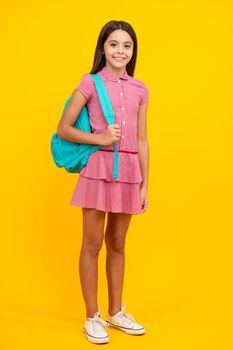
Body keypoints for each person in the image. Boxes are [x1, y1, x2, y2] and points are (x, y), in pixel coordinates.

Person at [57, 20, 149, 344]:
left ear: (132, 51)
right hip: (98, 169)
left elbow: (142, 139)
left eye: (127, 45)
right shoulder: (90, 83)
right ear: (103, 48)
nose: (120, 50)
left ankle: (115, 313)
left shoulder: (140, 89)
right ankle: (91, 317)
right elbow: (63, 129)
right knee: (92, 244)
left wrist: (144, 183)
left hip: (128, 171)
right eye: (114, 44)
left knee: (119, 244)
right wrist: (100, 138)